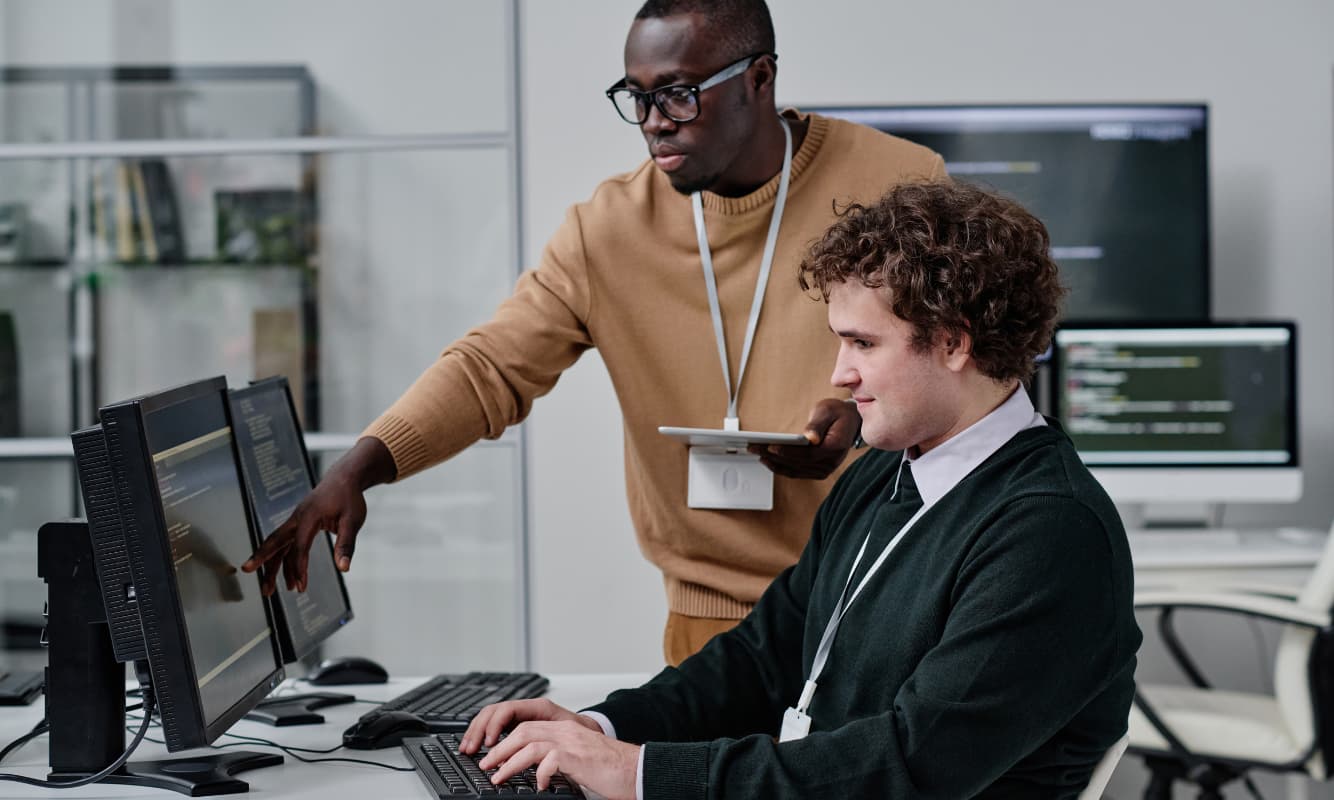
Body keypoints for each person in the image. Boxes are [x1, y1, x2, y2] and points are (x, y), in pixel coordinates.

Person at [242, 0, 946, 665]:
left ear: (759, 79)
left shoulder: (902, 183)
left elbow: (969, 375)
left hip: (880, 600)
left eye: (677, 93)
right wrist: (357, 467)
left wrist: (863, 420)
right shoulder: (607, 230)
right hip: (711, 628)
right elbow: (491, 368)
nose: (654, 123)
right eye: (636, 99)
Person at [458, 181, 1142, 799]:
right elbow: (764, 659)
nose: (840, 374)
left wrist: (637, 775)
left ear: (954, 343)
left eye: (863, 344)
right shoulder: (887, 469)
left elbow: (910, 766)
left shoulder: (1050, 532)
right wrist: (600, 726)